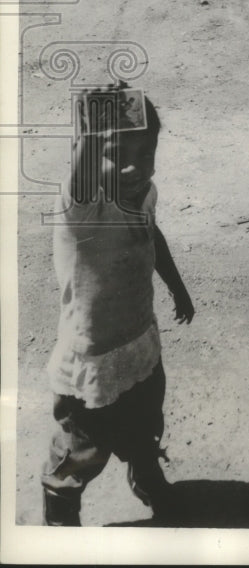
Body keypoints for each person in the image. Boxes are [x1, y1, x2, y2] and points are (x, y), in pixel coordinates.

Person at [41, 85, 194, 526]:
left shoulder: (144, 193)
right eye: (114, 152)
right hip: (93, 366)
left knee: (145, 426)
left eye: (144, 151)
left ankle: (146, 476)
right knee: (80, 451)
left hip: (140, 343)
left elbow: (151, 235)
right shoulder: (84, 207)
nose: (132, 164)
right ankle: (60, 505)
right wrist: (92, 127)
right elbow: (85, 163)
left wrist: (177, 287)